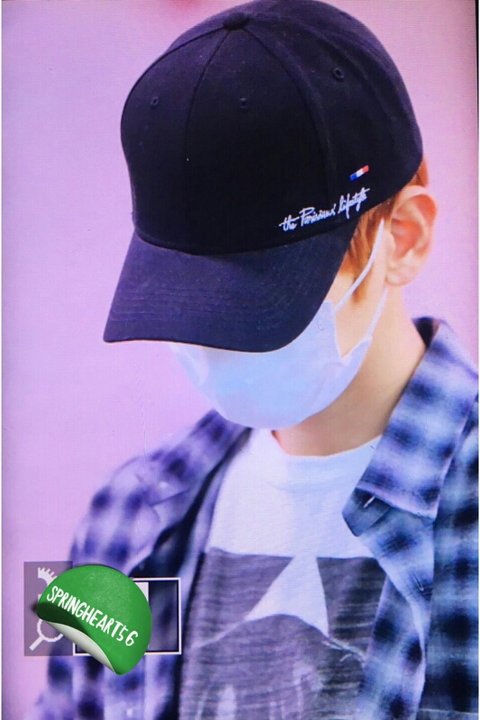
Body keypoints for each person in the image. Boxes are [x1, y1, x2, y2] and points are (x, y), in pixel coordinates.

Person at [27, 1, 477, 719]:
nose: (214, 344)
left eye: (262, 303)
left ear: (405, 236)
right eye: (185, 298)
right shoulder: (120, 519)